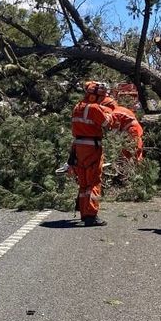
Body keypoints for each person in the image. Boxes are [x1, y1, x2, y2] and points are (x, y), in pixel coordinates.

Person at [70, 81, 114, 227]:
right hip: (92, 148)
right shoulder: (94, 108)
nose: (102, 99)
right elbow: (108, 124)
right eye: (101, 97)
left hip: (78, 148)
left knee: (83, 183)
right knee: (93, 182)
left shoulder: (77, 107)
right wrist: (108, 112)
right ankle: (91, 215)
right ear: (94, 97)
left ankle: (84, 212)